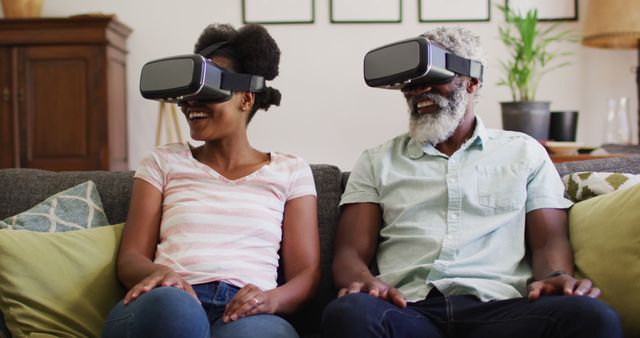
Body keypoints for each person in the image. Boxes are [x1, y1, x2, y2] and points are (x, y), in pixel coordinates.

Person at [322, 26, 622, 338]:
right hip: (407, 309)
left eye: (433, 79)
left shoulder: (523, 151)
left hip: (502, 310)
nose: (417, 92)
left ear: (472, 81)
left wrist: (556, 275)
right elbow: (350, 253)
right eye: (411, 85)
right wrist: (362, 281)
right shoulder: (376, 160)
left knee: (593, 317)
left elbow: (549, 241)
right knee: (348, 313)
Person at [102, 23, 320, 338]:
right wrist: (161, 274)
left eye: (205, 91)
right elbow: (131, 258)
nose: (190, 103)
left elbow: (307, 274)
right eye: (187, 94)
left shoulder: (291, 170)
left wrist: (270, 300)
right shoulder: (162, 161)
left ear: (245, 99)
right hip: (171, 298)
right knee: (177, 314)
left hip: (247, 312)